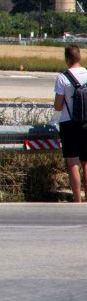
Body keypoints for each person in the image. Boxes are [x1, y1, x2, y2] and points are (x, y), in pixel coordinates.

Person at [53, 45, 87, 203]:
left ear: (66, 59)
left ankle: (77, 199)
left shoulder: (62, 78)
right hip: (86, 122)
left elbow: (58, 106)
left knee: (73, 162)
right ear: (79, 57)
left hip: (69, 123)